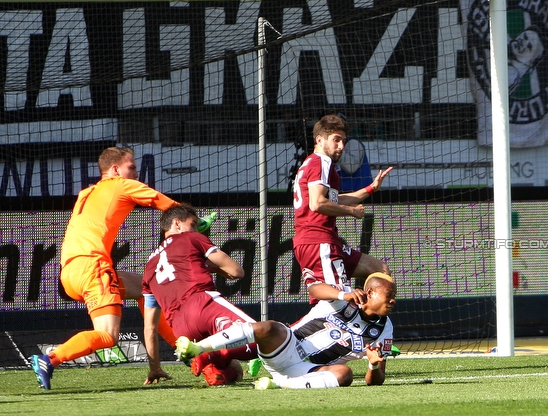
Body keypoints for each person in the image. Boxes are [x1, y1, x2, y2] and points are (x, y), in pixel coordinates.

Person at [30, 147, 179, 390]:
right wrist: (198, 223)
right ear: (115, 169)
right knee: (108, 336)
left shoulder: (87, 192)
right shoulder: (121, 184)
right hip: (94, 268)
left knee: (147, 286)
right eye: (131, 167)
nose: (136, 172)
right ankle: (49, 359)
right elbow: (173, 209)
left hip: (71, 272)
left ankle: (181, 351)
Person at [177, 272, 397, 389]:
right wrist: (342, 295)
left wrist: (373, 364)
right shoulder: (346, 296)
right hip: (287, 346)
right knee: (270, 327)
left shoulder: (385, 329)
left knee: (344, 373)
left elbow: (375, 381)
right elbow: (313, 288)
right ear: (370, 293)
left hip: (309, 371)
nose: (393, 301)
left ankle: (278, 384)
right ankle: (198, 347)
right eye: (389, 296)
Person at [143, 204, 259, 387]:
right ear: (177, 224)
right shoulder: (191, 238)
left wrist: (154, 367)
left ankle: (215, 369)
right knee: (263, 336)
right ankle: (213, 354)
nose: (196, 229)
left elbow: (149, 328)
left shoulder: (149, 267)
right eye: (194, 224)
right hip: (201, 304)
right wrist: (215, 268)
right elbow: (237, 272)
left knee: (236, 371)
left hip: (181, 330)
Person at [293, 113, 393, 304]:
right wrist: (351, 211)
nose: (341, 146)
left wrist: (371, 188)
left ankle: (370, 324)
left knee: (380, 270)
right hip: (318, 241)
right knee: (337, 306)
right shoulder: (320, 161)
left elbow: (332, 199)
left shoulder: (313, 163)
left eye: (343, 141)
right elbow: (317, 204)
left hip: (326, 241)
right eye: (336, 140)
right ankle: (293, 334)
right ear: (319, 139)